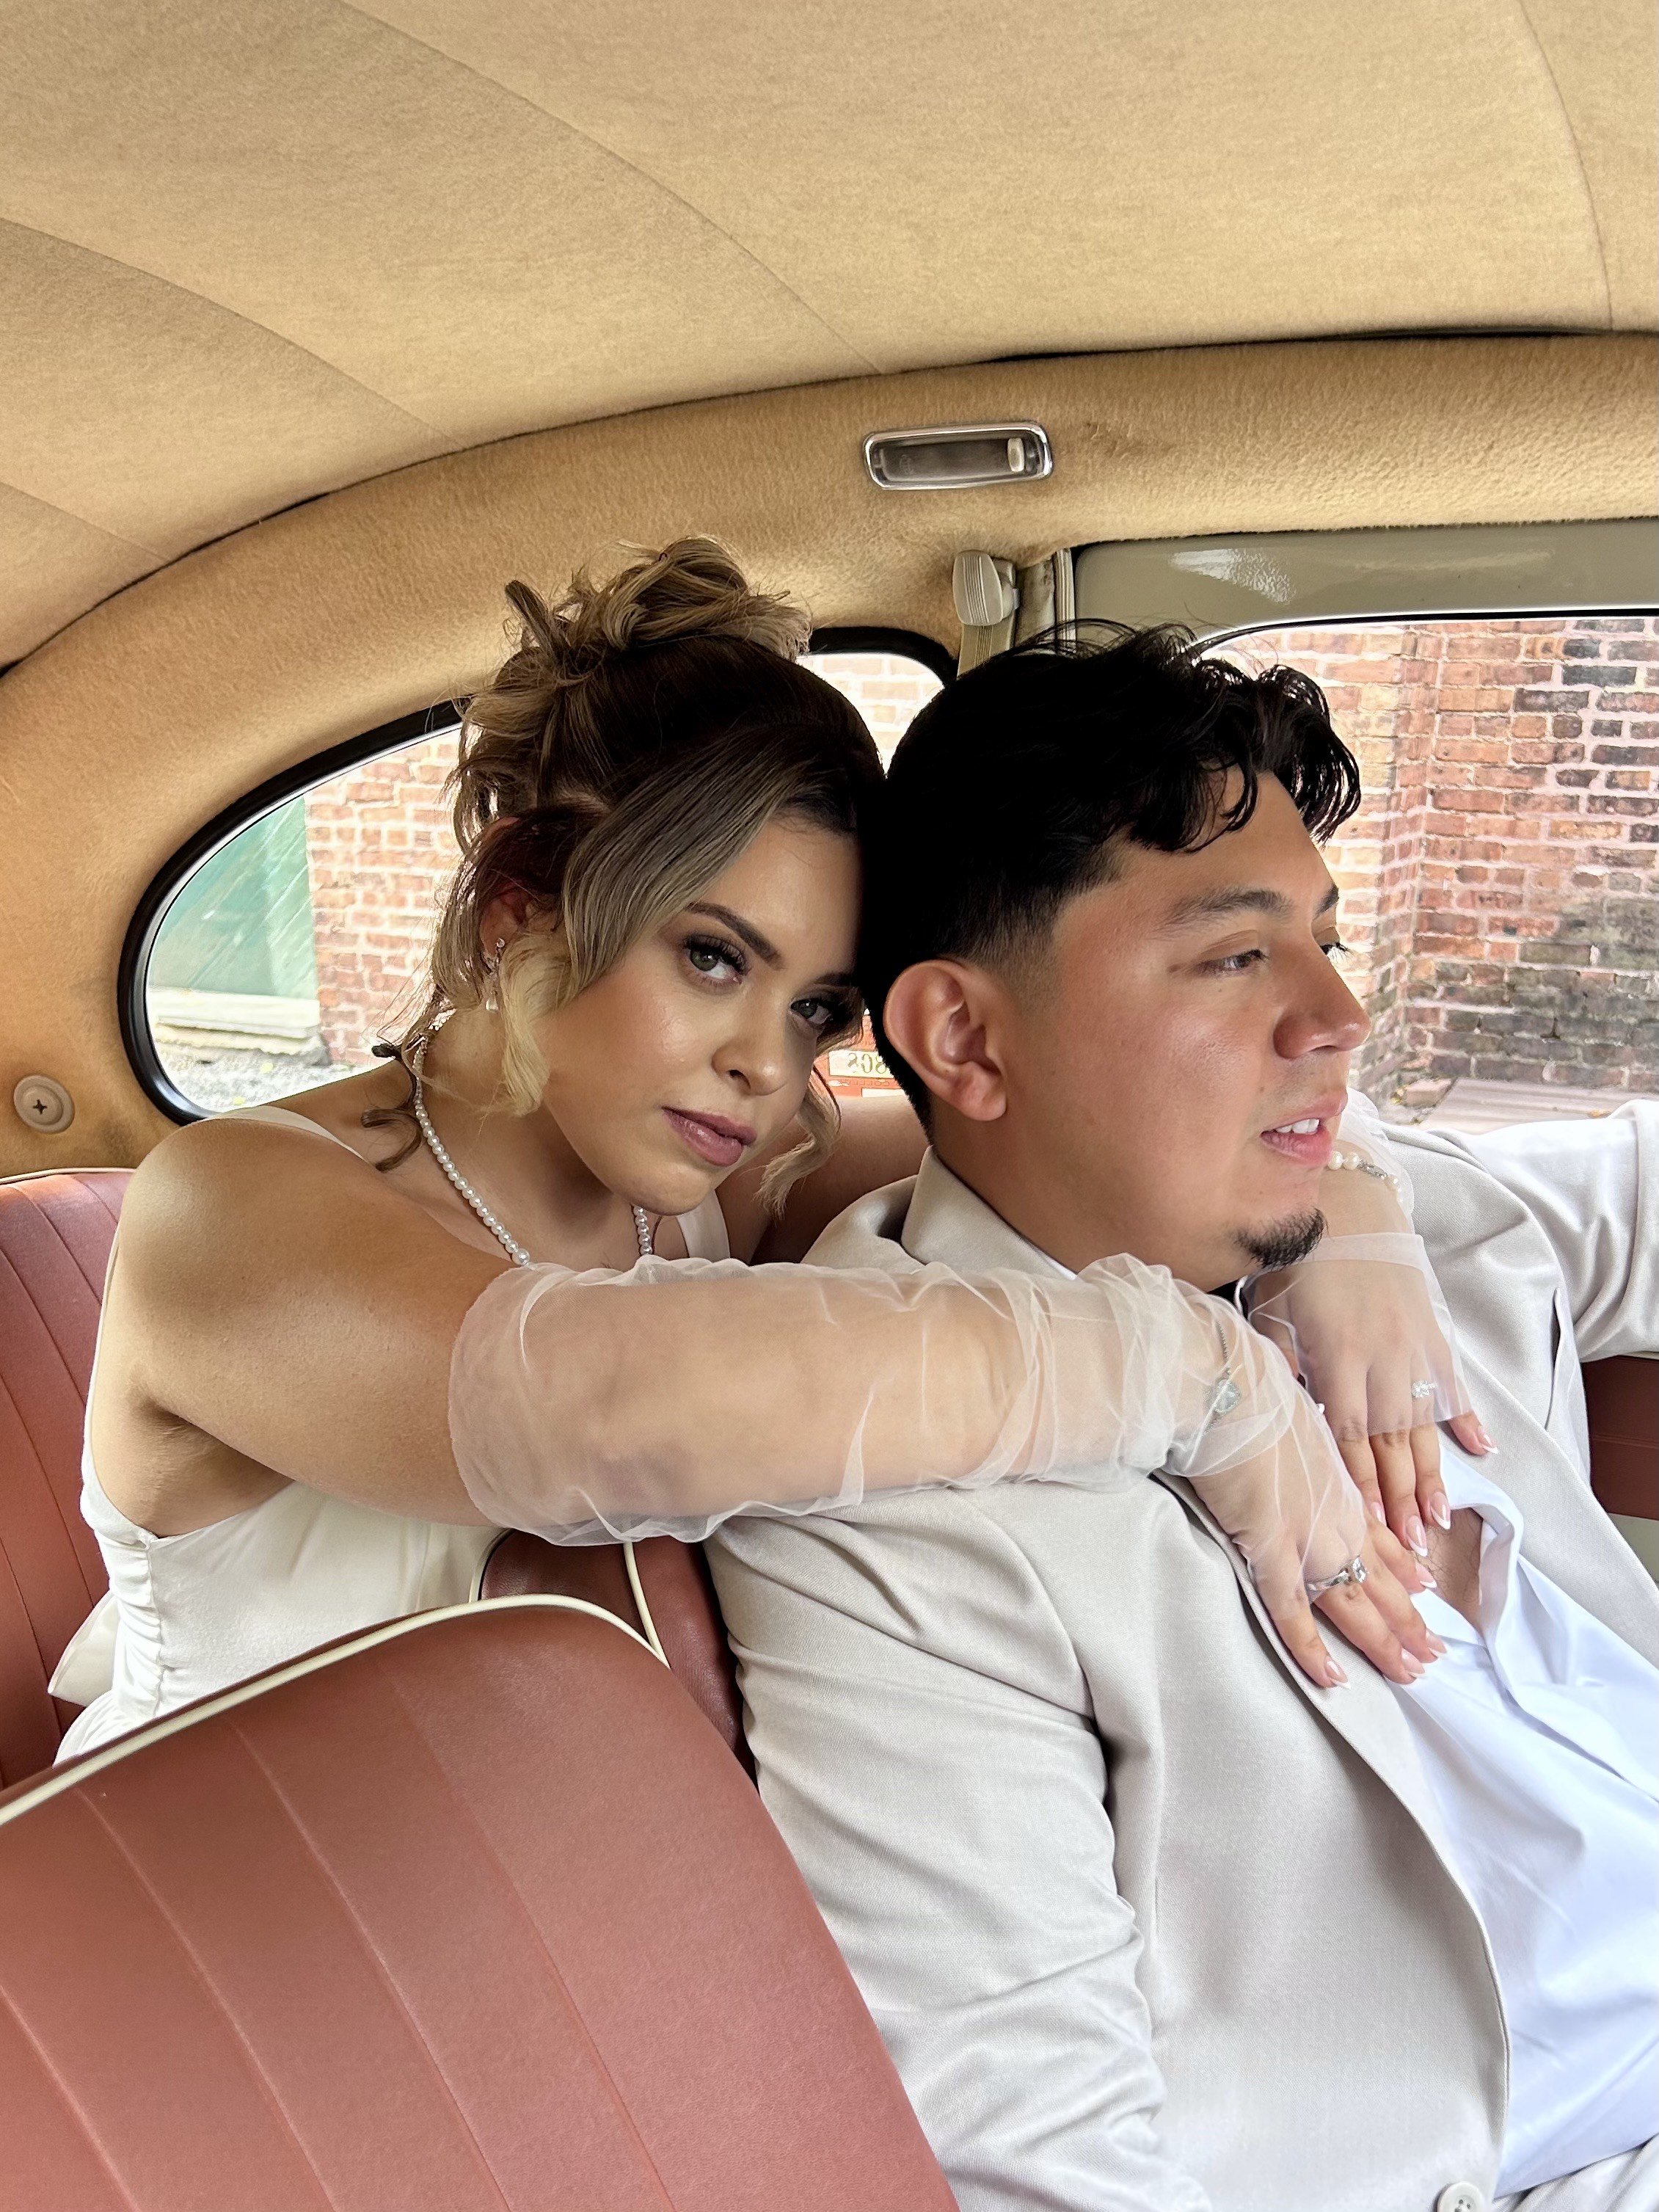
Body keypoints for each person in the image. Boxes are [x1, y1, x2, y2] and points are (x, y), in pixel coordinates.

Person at [54, 545, 1443, 1758]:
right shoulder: (225, 1207)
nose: (767, 1066)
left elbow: (1079, 1131)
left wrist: (1347, 1212)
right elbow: (587, 1412)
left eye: (815, 1009)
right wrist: (1197, 1373)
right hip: (203, 1922)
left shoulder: (728, 1169)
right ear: (516, 905)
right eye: (713, 956)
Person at [708, 626, 1658, 2212]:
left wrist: (1361, 1203)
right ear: (965, 1038)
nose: (1339, 1017)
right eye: (1234, 956)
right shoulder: (886, 1510)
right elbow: (1045, 2168)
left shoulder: (1407, 1230)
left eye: (1324, 937)